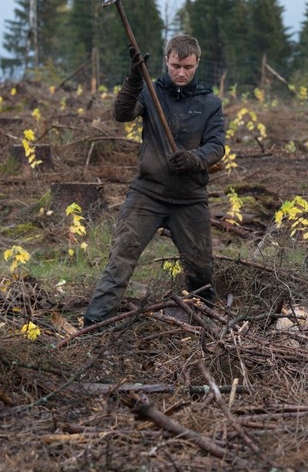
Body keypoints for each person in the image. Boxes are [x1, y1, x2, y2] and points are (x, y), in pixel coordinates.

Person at [83, 34, 226, 324]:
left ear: (197, 63)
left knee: (200, 269)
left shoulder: (210, 103)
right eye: (175, 66)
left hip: (190, 199)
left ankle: (205, 328)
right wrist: (135, 77)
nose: (181, 72)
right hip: (147, 194)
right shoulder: (150, 91)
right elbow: (122, 113)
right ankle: (94, 324)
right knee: (121, 257)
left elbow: (217, 146)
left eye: (187, 66)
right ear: (167, 62)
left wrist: (193, 159)